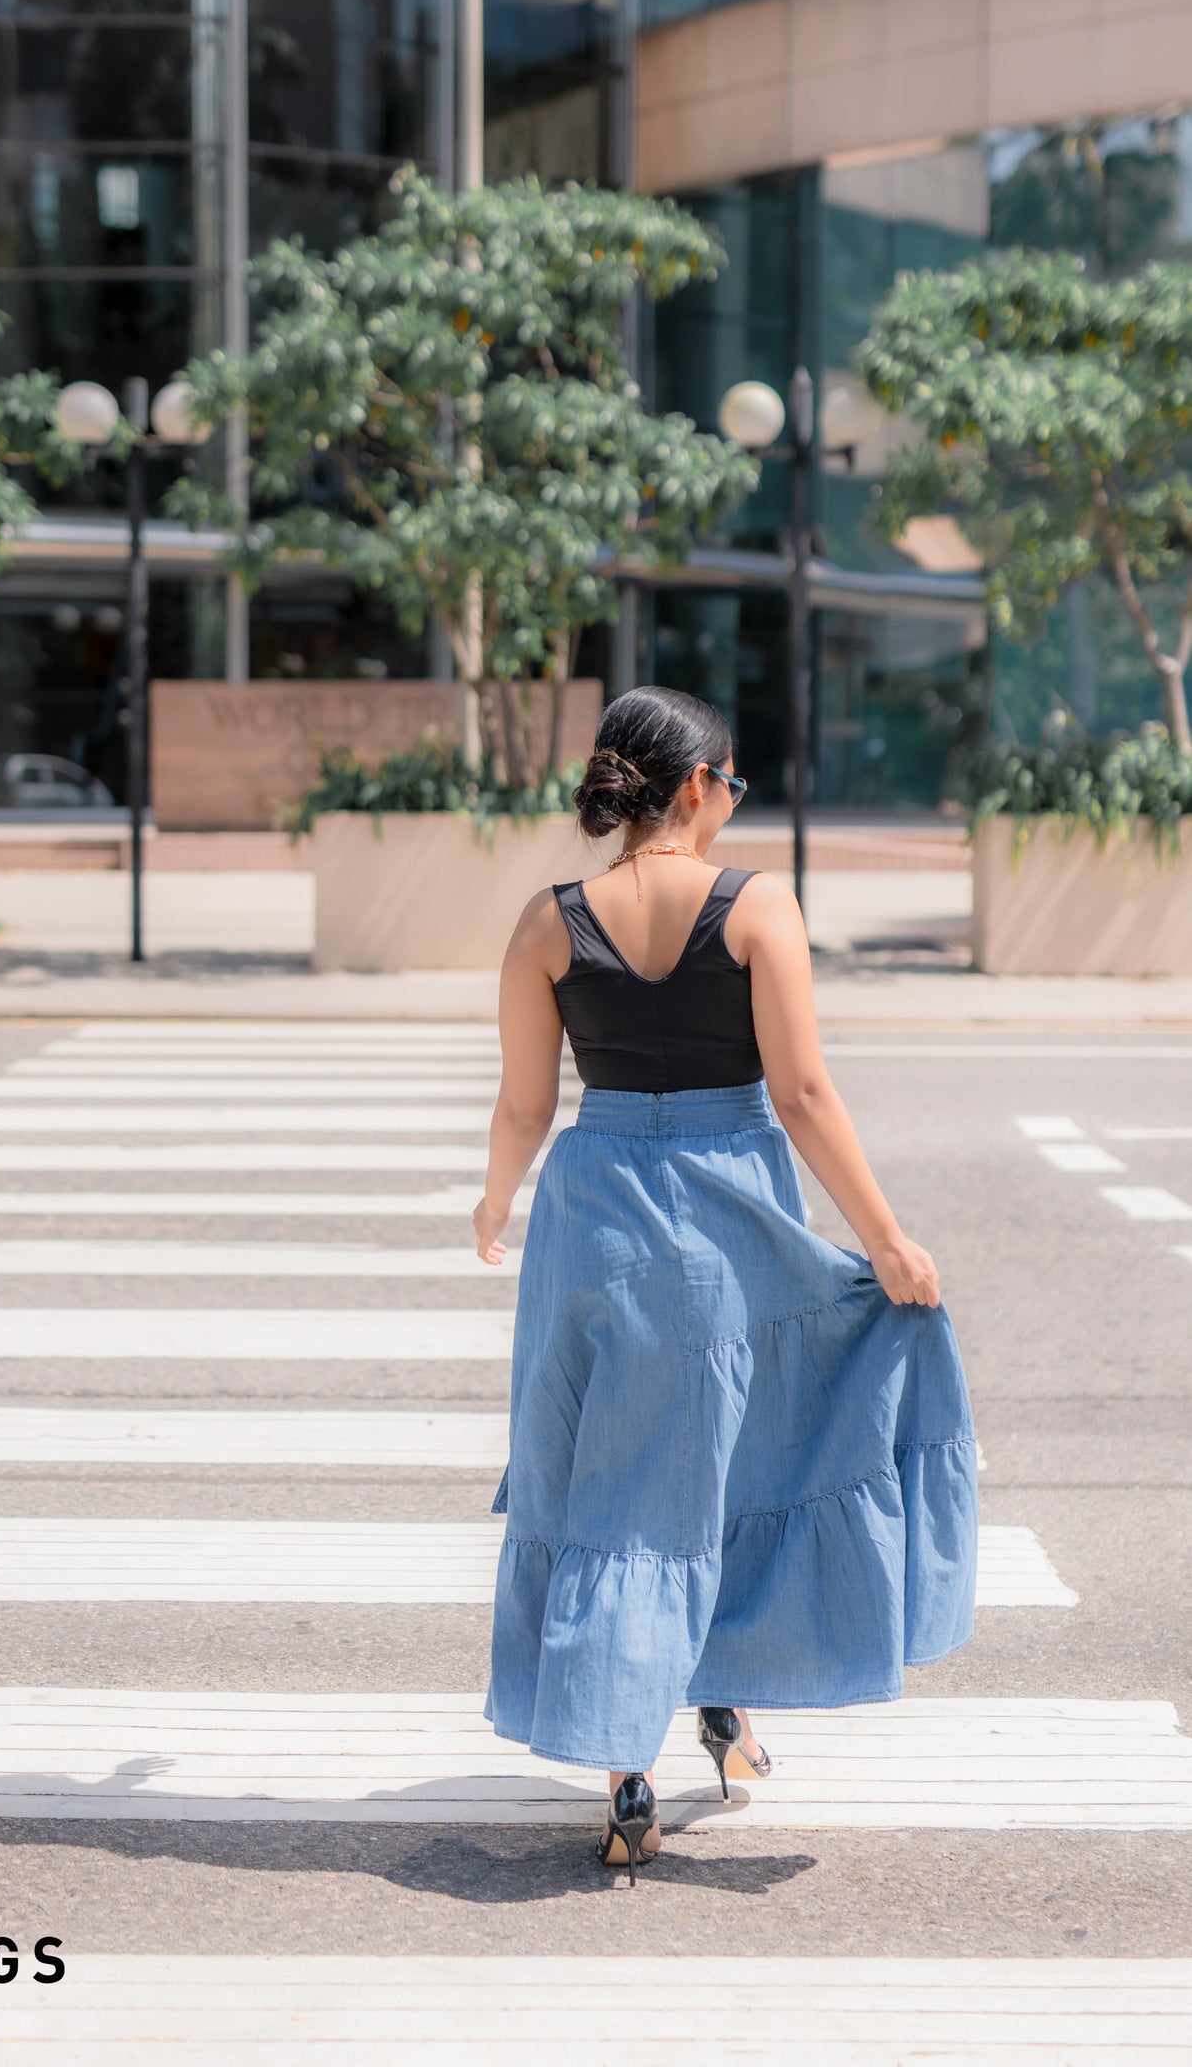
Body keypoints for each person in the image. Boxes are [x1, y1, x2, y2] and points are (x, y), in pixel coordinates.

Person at [473, 685, 977, 1883]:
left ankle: (626, 1773)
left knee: (614, 1485)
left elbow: (524, 1104)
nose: (732, 802)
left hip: (593, 1222)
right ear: (695, 784)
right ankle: (727, 1707)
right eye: (732, 782)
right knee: (746, 1464)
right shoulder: (754, 906)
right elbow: (802, 1096)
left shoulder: (547, 922)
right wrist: (889, 1241)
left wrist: (494, 1201)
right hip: (729, 1221)